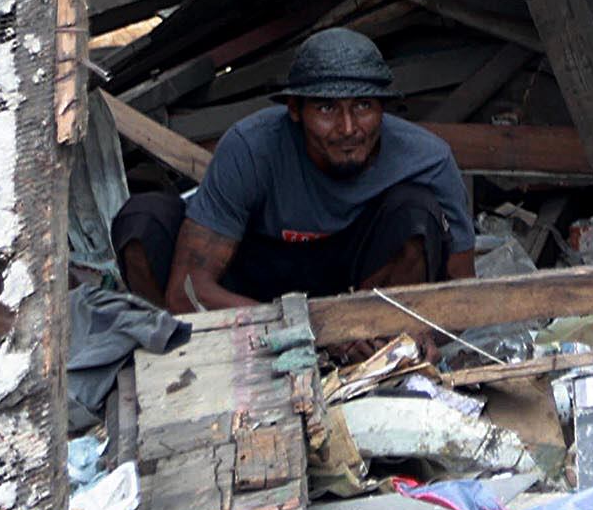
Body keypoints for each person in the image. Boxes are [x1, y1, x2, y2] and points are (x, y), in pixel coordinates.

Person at [111, 29, 478, 314]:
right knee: (144, 220)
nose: (349, 128)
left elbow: (463, 294)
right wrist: (297, 330)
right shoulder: (251, 146)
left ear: (384, 109)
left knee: (416, 212)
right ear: (295, 110)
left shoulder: (427, 158)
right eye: (326, 109)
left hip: (361, 286)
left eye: (364, 106)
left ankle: (383, 345)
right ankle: (175, 358)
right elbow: (187, 289)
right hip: (255, 283)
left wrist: (416, 332)